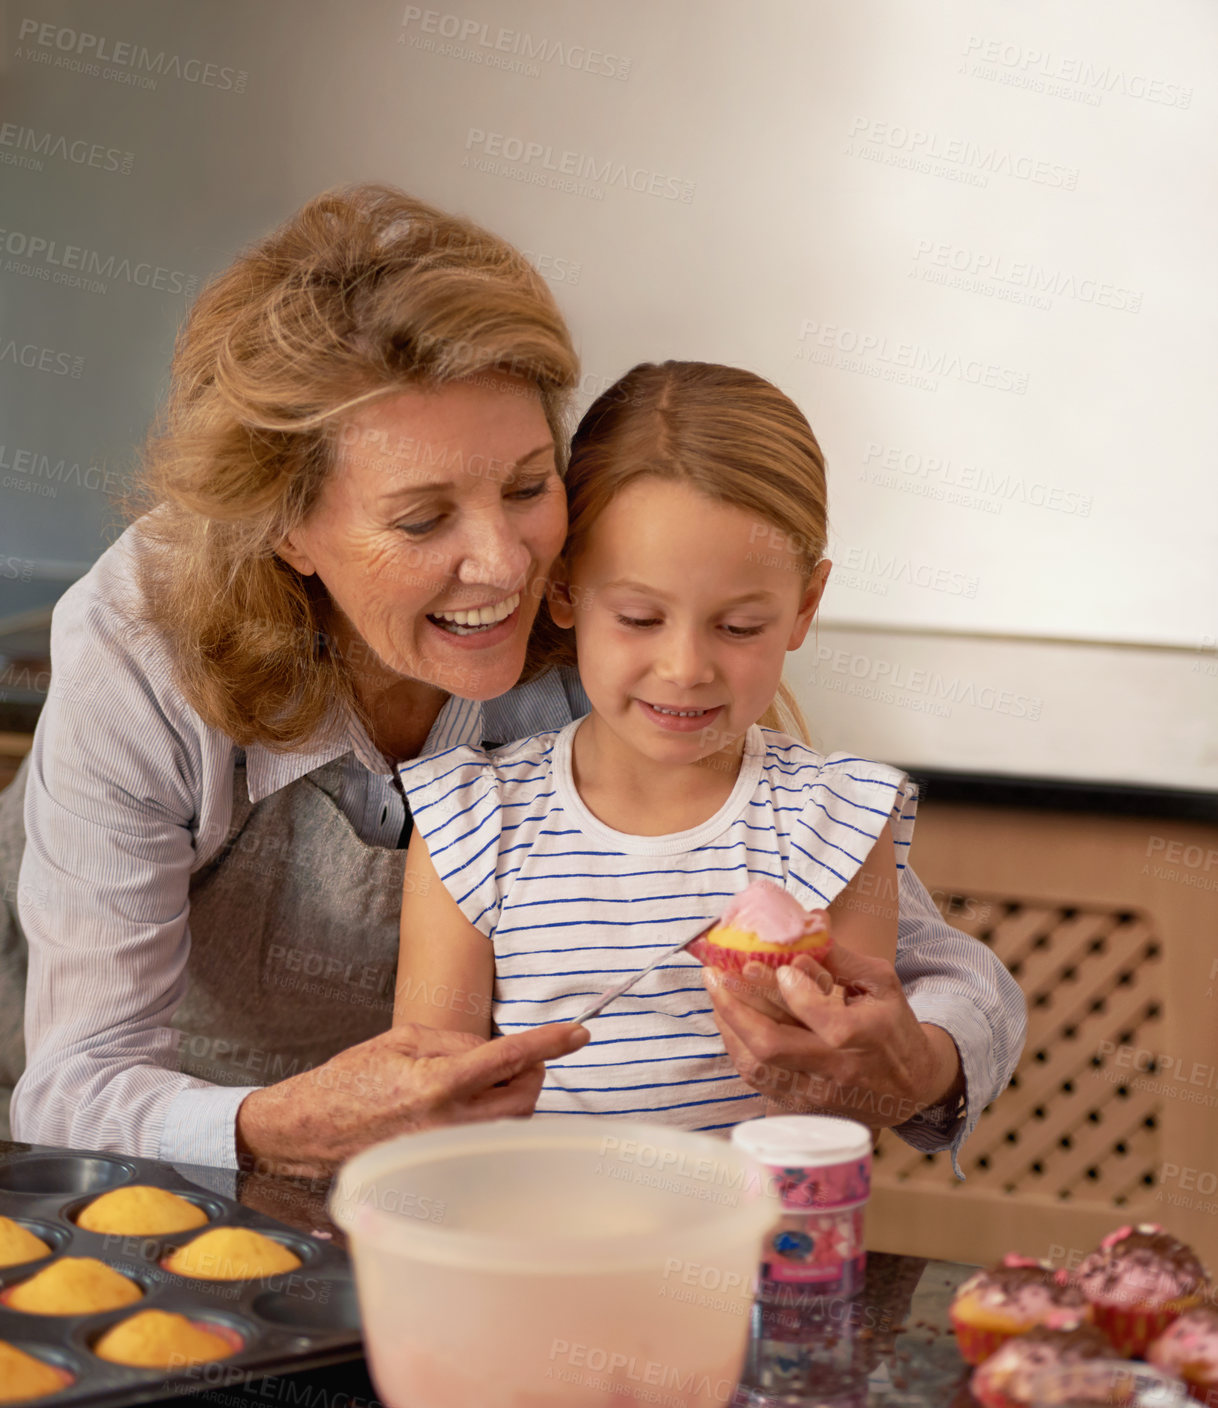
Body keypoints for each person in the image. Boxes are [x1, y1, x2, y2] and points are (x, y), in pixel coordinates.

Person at [0, 184, 1022, 1181]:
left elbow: (933, 972)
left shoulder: (612, 622)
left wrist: (912, 1063)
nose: (507, 564)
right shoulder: (144, 640)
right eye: (421, 518)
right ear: (287, 525)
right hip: (131, 1168)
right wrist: (283, 1122)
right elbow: (73, 1087)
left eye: (530, 486)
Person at [393, 363, 1026, 1169]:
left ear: (803, 608)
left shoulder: (839, 822)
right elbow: (429, 1112)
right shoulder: (469, 819)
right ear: (561, 593)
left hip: (755, 1268)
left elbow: (846, 1117)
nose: (686, 667)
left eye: (738, 626)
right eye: (638, 617)